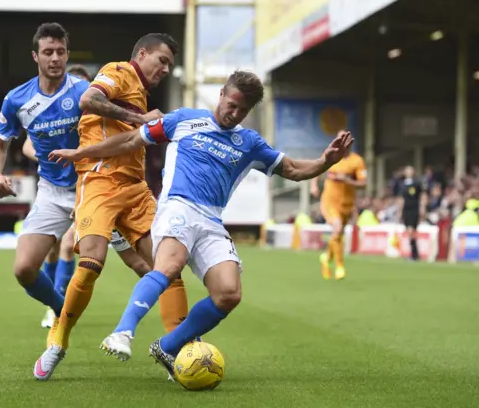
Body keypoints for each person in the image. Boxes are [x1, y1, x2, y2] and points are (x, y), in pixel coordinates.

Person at [49, 70, 354, 377]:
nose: (233, 113)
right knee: (168, 266)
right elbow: (129, 139)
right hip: (177, 207)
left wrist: (326, 161)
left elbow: (292, 169)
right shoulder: (183, 119)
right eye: (231, 104)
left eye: (242, 110)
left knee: (229, 293)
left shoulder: (249, 142)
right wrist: (83, 153)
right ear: (222, 93)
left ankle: (167, 347)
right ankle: (122, 332)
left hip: (211, 220)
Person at [33, 33, 191, 381]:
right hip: (100, 181)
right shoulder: (118, 71)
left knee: (168, 266)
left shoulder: (141, 90)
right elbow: (89, 99)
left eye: (170, 65)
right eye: (161, 61)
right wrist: (140, 118)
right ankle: (58, 339)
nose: (165, 69)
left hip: (135, 189)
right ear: (143, 53)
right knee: (90, 262)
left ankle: (177, 351)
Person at [0, 23, 88, 339]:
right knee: (24, 269)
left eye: (60, 51)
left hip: (92, 188)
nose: (55, 58)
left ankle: (181, 338)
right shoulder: (17, 100)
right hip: (51, 192)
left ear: (67, 54)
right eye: (48, 52)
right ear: (36, 56)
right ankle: (62, 311)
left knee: (145, 264)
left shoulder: (85, 92)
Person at [311, 145, 367, 280]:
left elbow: (363, 183)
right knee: (337, 227)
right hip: (329, 202)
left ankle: (326, 258)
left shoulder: (356, 161)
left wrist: (347, 180)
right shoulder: (330, 155)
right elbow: (317, 169)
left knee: (338, 234)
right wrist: (314, 185)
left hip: (347, 204)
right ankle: (340, 266)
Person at [398, 166, 427, 260]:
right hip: (406, 210)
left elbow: (423, 195)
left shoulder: (417, 183)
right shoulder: (402, 184)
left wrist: (422, 207)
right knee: (409, 231)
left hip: (414, 209)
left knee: (411, 230)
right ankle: (414, 253)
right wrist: (400, 211)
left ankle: (414, 253)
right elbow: (401, 199)